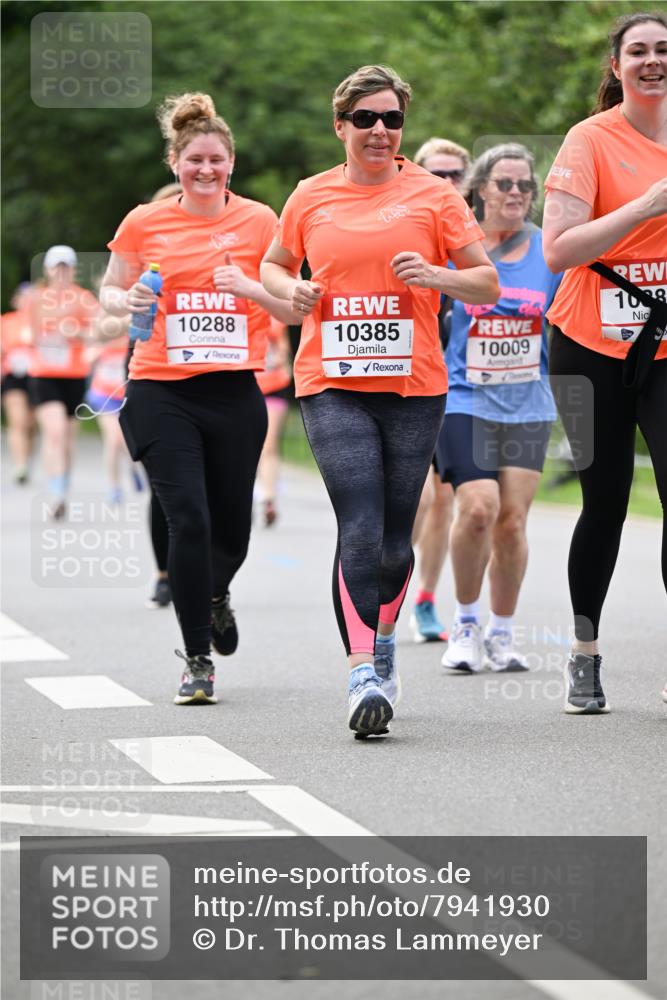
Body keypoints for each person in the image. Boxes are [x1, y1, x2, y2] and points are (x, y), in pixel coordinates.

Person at [261, 65, 498, 737]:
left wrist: (435, 275)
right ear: (340, 125)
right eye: (364, 118)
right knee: (360, 523)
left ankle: (385, 641)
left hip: (412, 385)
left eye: (391, 119)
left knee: (397, 538)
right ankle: (362, 668)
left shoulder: (433, 195)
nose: (378, 130)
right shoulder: (310, 196)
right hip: (332, 382)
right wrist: (291, 294)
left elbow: (485, 284)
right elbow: (274, 266)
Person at [100, 92, 299, 704]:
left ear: (231, 163)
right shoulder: (145, 222)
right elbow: (107, 296)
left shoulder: (262, 221)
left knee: (231, 533)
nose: (205, 169)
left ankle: (216, 593)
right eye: (194, 160)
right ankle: (196, 659)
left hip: (235, 392)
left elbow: (293, 304)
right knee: (188, 518)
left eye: (216, 159)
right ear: (174, 163)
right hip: (161, 387)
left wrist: (246, 285)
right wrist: (124, 303)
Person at [543, 11, 667, 713]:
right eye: (638, 52)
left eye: (661, 51)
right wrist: (646, 207)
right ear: (615, 67)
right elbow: (557, 249)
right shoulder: (589, 139)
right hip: (589, 341)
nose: (651, 61)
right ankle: (584, 654)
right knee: (606, 501)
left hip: (665, 341)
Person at [439, 143, 562, 675]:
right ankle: (465, 624)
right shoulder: (456, 248)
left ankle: (502, 632)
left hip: (527, 402)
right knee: (479, 508)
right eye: (504, 184)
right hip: (463, 397)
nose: (515, 193)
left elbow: (572, 316)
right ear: (480, 189)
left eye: (524, 186)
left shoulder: (547, 253)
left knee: (511, 524)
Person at [409, 137, 471, 643]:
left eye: (453, 175)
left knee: (443, 497)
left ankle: (426, 598)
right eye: (435, 174)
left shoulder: (475, 246)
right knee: (419, 501)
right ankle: (389, 568)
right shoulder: (404, 231)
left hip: (461, 392)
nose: (445, 183)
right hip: (405, 385)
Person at [27, 246, 98, 518]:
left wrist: (75, 333)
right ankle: (55, 494)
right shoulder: (36, 298)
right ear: (47, 270)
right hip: (44, 373)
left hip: (74, 374)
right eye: (56, 267)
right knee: (54, 432)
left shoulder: (85, 299)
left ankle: (62, 488)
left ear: (73, 270)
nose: (61, 272)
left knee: (67, 439)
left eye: (66, 267)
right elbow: (31, 335)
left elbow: (96, 333)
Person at [255, 317, 292, 527]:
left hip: (272, 388)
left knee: (268, 445)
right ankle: (244, 497)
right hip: (243, 388)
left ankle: (268, 499)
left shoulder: (277, 318)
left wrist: (272, 360)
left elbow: (283, 352)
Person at [1, 283, 35, 484]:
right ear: (16, 300)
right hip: (13, 375)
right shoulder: (6, 321)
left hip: (38, 375)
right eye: (23, 297)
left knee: (30, 424)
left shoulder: (42, 323)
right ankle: (19, 465)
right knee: (18, 421)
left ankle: (27, 459)